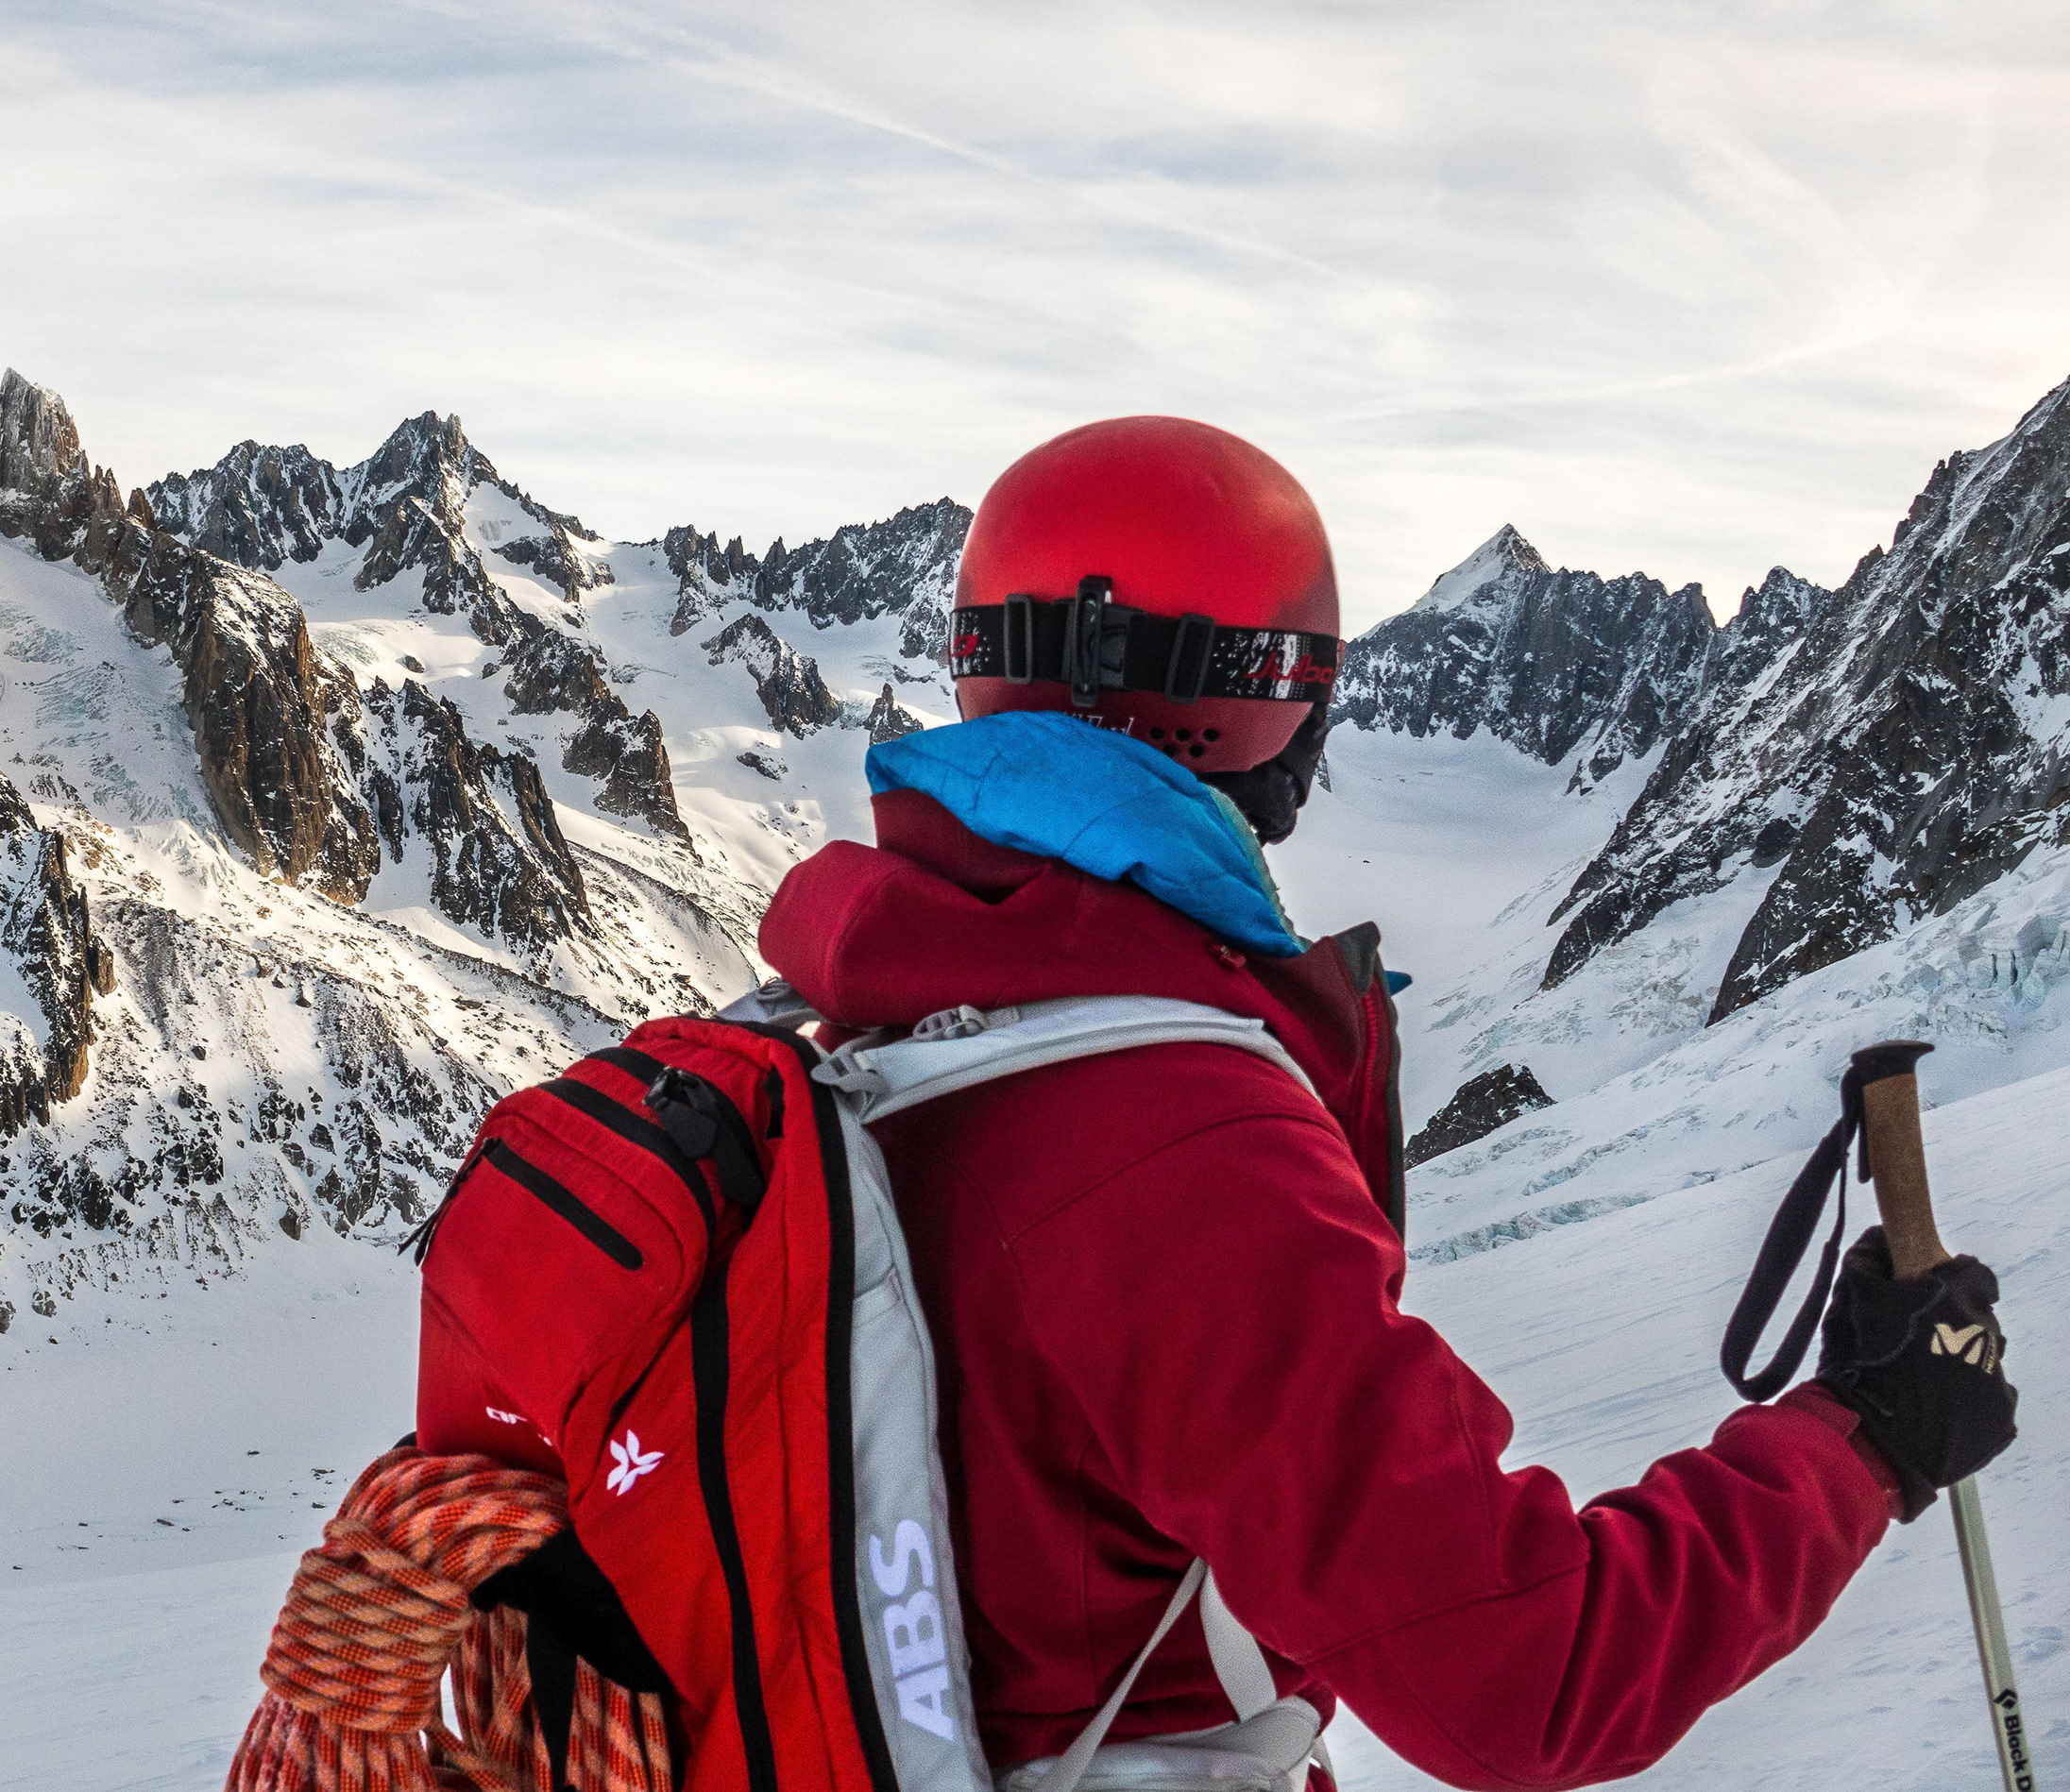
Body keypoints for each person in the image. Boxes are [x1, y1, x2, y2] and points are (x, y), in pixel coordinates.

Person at [750, 417, 2019, 1787]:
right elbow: (1527, 1673)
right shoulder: (1172, 1139)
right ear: (1262, 693)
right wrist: (1865, 1439)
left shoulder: (864, 1017)